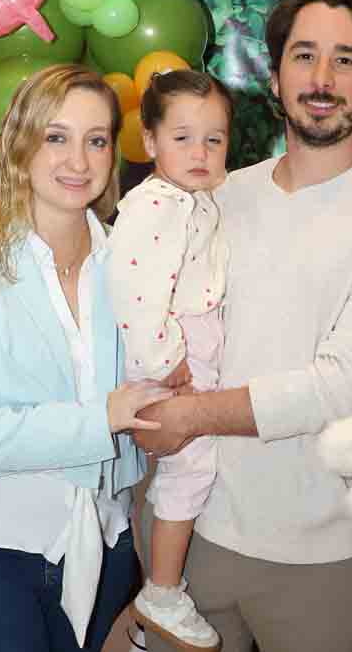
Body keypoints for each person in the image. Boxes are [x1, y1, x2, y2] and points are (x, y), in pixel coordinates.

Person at [128, 0, 352, 652]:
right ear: (273, 79)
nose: (322, 77)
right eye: (303, 55)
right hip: (191, 535)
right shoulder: (215, 197)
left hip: (318, 557)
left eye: (345, 59)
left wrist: (190, 415)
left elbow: (349, 382)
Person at [0, 64, 169, 652]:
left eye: (96, 140)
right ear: (19, 142)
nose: (78, 160)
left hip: (107, 546)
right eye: (57, 137)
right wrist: (100, 418)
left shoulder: (134, 265)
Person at [107, 70, 233, 651]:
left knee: (189, 471)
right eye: (183, 138)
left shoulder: (194, 200)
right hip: (172, 358)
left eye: (215, 139)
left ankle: (153, 601)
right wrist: (167, 364)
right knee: (192, 468)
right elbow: (134, 295)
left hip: (192, 347)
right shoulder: (154, 205)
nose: (201, 152)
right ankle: (161, 590)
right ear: (151, 141)